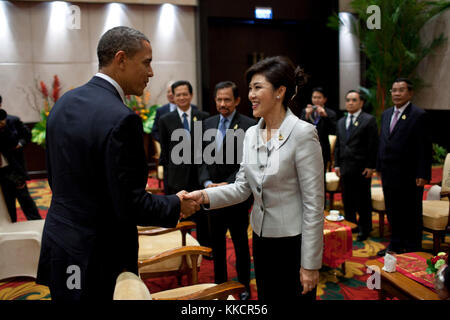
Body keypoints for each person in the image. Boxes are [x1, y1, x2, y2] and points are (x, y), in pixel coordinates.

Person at [36, 26, 200, 301]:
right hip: (98, 254)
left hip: (61, 244)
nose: (152, 73)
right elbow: (129, 204)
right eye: (146, 62)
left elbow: (57, 179)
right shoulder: (122, 119)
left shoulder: (64, 103)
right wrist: (176, 205)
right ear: (121, 60)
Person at [185, 56, 324, 301]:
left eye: (257, 87)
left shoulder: (303, 133)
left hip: (292, 243)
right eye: (250, 88)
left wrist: (310, 264)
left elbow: (314, 205)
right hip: (260, 238)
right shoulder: (251, 134)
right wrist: (204, 195)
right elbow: (242, 187)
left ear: (280, 91)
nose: (251, 94)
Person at [198, 81, 256, 300]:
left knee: (241, 243)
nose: (222, 104)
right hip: (212, 195)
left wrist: (229, 184)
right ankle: (220, 284)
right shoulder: (207, 123)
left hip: (237, 196)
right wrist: (206, 183)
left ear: (237, 101)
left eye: (227, 100)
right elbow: (200, 159)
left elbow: (247, 163)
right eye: (219, 99)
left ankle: (243, 287)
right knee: (217, 244)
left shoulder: (249, 125)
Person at [376, 78, 432, 256]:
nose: (397, 93)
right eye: (394, 90)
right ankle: (396, 244)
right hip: (388, 172)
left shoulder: (418, 115)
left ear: (410, 93)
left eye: (401, 90)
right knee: (393, 210)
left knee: (411, 211)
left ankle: (413, 247)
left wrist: (423, 173)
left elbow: (424, 147)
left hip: (410, 174)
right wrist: (379, 166)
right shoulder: (386, 114)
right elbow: (383, 142)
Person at [158, 80, 210, 246]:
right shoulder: (166, 120)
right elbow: (165, 153)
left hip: (199, 174)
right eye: (178, 95)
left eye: (185, 94)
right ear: (173, 97)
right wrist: (167, 181)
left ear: (191, 95)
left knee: (202, 213)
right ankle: (182, 247)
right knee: (181, 213)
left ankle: (203, 246)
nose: (182, 97)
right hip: (177, 176)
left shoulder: (203, 117)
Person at [334, 90, 378, 241]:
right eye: (348, 100)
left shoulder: (368, 120)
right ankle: (351, 224)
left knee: (363, 200)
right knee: (348, 200)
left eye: (354, 100)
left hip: (362, 168)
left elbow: (373, 145)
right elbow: (339, 145)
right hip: (345, 167)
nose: (350, 103)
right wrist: (337, 165)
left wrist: (371, 166)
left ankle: (365, 228)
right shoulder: (341, 121)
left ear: (361, 102)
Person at [0, 97, 41, 222]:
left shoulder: (12, 120)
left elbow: (27, 135)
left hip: (13, 168)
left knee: (24, 197)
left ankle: (36, 223)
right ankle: (11, 226)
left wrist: (20, 143)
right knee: (7, 203)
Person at [301, 87, 337, 171]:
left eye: (319, 97)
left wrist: (325, 116)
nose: (316, 100)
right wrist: (306, 116)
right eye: (314, 97)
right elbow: (300, 130)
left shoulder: (330, 113)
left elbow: (333, 130)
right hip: (307, 148)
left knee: (321, 177)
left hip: (322, 149)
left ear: (324, 99)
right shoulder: (305, 111)